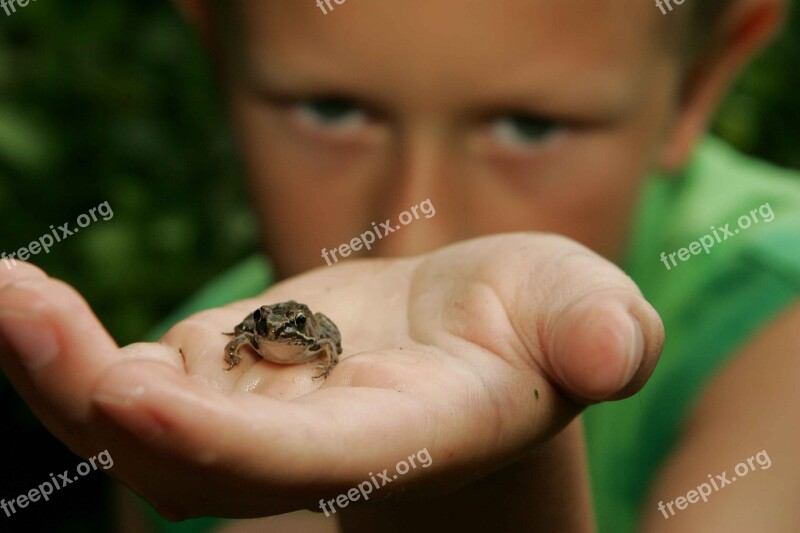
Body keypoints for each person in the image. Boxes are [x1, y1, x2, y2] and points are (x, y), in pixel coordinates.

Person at [1, 0, 798, 531]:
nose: (416, 222)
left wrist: (485, 470)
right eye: (331, 110)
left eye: (528, 124)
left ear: (698, 83)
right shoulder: (185, 365)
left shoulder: (772, 309)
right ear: (212, 45)